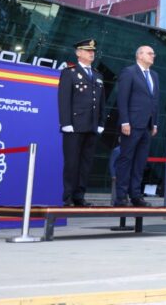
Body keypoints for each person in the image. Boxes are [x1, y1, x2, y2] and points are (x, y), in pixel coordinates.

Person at [57, 38, 106, 207]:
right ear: (78, 53)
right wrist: (66, 123)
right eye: (87, 50)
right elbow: (64, 100)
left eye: (92, 51)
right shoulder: (69, 72)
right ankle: (68, 197)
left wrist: (101, 123)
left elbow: (101, 102)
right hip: (74, 126)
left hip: (92, 127)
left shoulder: (98, 75)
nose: (91, 53)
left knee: (86, 163)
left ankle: (80, 196)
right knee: (72, 162)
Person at [115, 45, 160, 207]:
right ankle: (120, 196)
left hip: (147, 126)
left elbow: (155, 101)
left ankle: (135, 194)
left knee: (140, 162)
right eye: (149, 53)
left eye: (153, 53)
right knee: (126, 159)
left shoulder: (154, 75)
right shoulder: (129, 72)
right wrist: (125, 121)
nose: (152, 56)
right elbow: (122, 99)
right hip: (132, 124)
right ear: (139, 55)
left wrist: (154, 123)